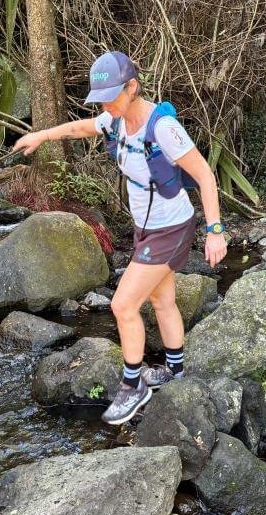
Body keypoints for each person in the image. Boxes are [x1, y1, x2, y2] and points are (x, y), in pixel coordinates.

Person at [12, 51, 227, 425]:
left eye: (112, 97)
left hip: (172, 228)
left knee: (123, 305)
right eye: (102, 99)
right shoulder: (114, 121)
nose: (106, 105)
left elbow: (206, 177)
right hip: (147, 228)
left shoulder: (163, 129)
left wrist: (215, 232)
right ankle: (175, 373)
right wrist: (42, 135)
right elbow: (81, 128)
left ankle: (133, 385)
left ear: (133, 87)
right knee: (162, 300)